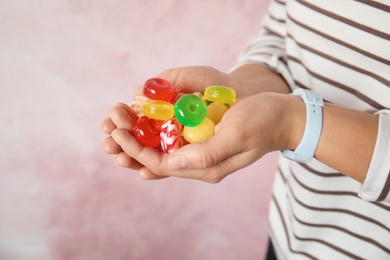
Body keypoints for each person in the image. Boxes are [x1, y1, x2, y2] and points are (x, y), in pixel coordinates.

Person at [101, 0, 390, 259]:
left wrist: (294, 123)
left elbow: (290, 120)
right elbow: (284, 37)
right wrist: (243, 86)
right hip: (293, 235)